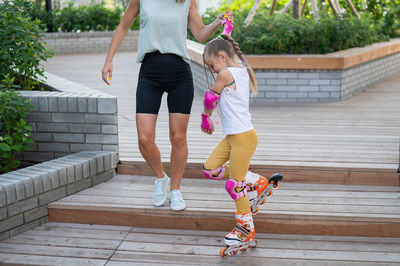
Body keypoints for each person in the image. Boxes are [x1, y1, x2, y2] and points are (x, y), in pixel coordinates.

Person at [101, 0, 233, 211]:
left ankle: (176, 189)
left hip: (179, 73)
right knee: (144, 138)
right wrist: (109, 59)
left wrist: (217, 22)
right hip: (150, 72)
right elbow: (124, 24)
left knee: (178, 137)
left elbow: (199, 33)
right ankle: (161, 177)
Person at [200, 34, 278, 248]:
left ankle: (245, 230)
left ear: (223, 57)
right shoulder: (241, 69)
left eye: (211, 65)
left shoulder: (225, 73)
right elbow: (231, 50)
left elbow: (210, 99)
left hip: (243, 137)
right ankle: (257, 182)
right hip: (233, 137)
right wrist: (226, 31)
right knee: (210, 169)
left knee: (235, 185)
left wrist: (205, 118)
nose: (212, 70)